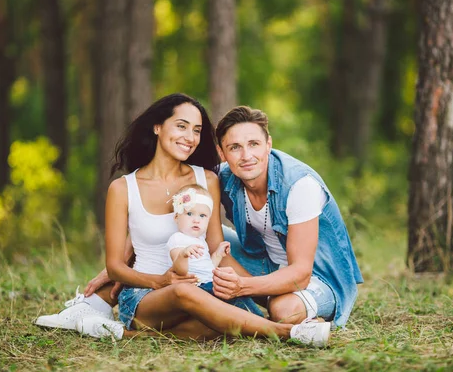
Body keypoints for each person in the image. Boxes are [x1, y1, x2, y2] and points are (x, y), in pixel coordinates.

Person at [35, 93, 330, 347]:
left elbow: (217, 246)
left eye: (197, 130)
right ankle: (287, 333)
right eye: (181, 126)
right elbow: (115, 266)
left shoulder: (208, 179)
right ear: (157, 127)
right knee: (183, 292)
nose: (190, 137)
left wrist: (247, 289)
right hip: (146, 297)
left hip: (200, 286)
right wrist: (160, 280)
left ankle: (126, 335)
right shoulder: (123, 188)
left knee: (221, 324)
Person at [211, 106, 364, 328]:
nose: (246, 156)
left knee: (283, 311)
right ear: (222, 153)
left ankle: (274, 304)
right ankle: (267, 298)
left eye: (254, 144)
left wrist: (242, 287)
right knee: (209, 241)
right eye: (235, 147)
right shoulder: (223, 177)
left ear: (268, 145)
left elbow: (301, 273)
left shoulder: (299, 185)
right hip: (266, 264)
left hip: (317, 277)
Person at [166, 184, 262, 316]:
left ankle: (258, 318)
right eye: (189, 213)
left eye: (202, 216)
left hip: (211, 283)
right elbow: (180, 271)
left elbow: (209, 267)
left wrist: (218, 254)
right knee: (228, 303)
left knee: (236, 295)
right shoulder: (177, 239)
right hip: (197, 287)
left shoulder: (201, 241)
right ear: (176, 217)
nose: (196, 220)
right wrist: (183, 255)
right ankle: (254, 321)